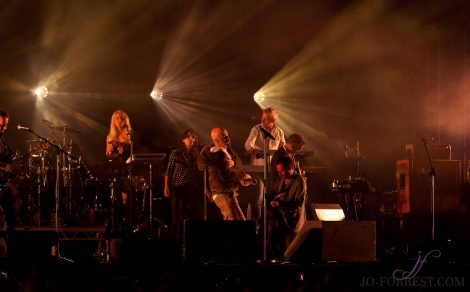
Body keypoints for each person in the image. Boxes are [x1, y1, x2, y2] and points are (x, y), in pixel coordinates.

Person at [197, 128, 246, 220]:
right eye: (224, 137)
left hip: (229, 192)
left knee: (241, 222)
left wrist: (234, 163)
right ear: (216, 140)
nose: (228, 138)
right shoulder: (217, 154)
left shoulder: (228, 150)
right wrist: (242, 176)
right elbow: (226, 176)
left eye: (227, 135)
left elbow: (240, 162)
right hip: (221, 193)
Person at [163, 129, 202, 239]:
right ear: (183, 139)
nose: (191, 139)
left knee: (196, 214)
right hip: (178, 187)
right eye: (189, 137)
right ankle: (174, 242)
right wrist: (166, 186)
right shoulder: (175, 153)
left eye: (193, 137)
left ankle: (194, 241)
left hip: (191, 187)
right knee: (177, 217)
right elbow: (168, 171)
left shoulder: (196, 155)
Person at [268, 156, 307, 260]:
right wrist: (273, 200)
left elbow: (297, 206)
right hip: (280, 223)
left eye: (282, 171)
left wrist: (281, 205)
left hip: (292, 225)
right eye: (278, 171)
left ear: (290, 168)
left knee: (290, 255)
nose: (279, 174)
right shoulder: (280, 179)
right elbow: (274, 193)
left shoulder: (300, 182)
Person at [105, 110, 133, 228]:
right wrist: (111, 152)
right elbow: (107, 153)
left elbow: (134, 150)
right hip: (117, 168)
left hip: (128, 167)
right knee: (118, 195)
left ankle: (128, 222)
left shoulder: (129, 133)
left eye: (122, 118)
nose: (119, 121)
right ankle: (117, 222)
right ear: (113, 120)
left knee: (127, 196)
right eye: (117, 118)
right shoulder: (110, 136)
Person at [0, 111, 16, 235]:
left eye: (5, 125)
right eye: (1, 125)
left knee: (10, 214)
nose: (4, 128)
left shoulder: (2, 140)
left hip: (2, 183)